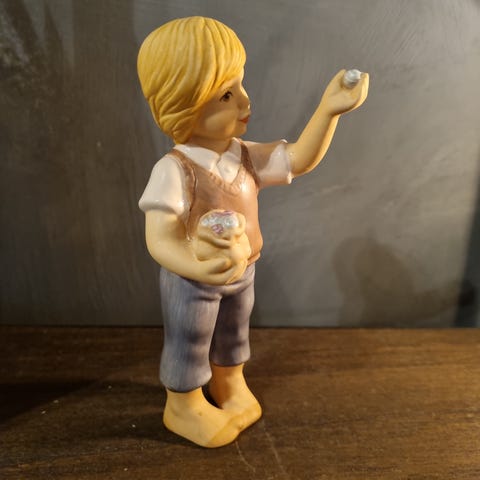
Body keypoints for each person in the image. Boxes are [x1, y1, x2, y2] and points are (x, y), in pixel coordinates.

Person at [137, 16, 369, 448]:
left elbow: (298, 159)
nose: (246, 100)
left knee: (233, 331)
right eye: (226, 95)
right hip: (192, 282)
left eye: (240, 85)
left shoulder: (244, 156)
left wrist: (329, 110)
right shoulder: (174, 170)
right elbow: (160, 238)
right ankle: (183, 404)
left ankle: (229, 382)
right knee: (190, 338)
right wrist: (197, 266)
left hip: (243, 271)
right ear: (183, 104)